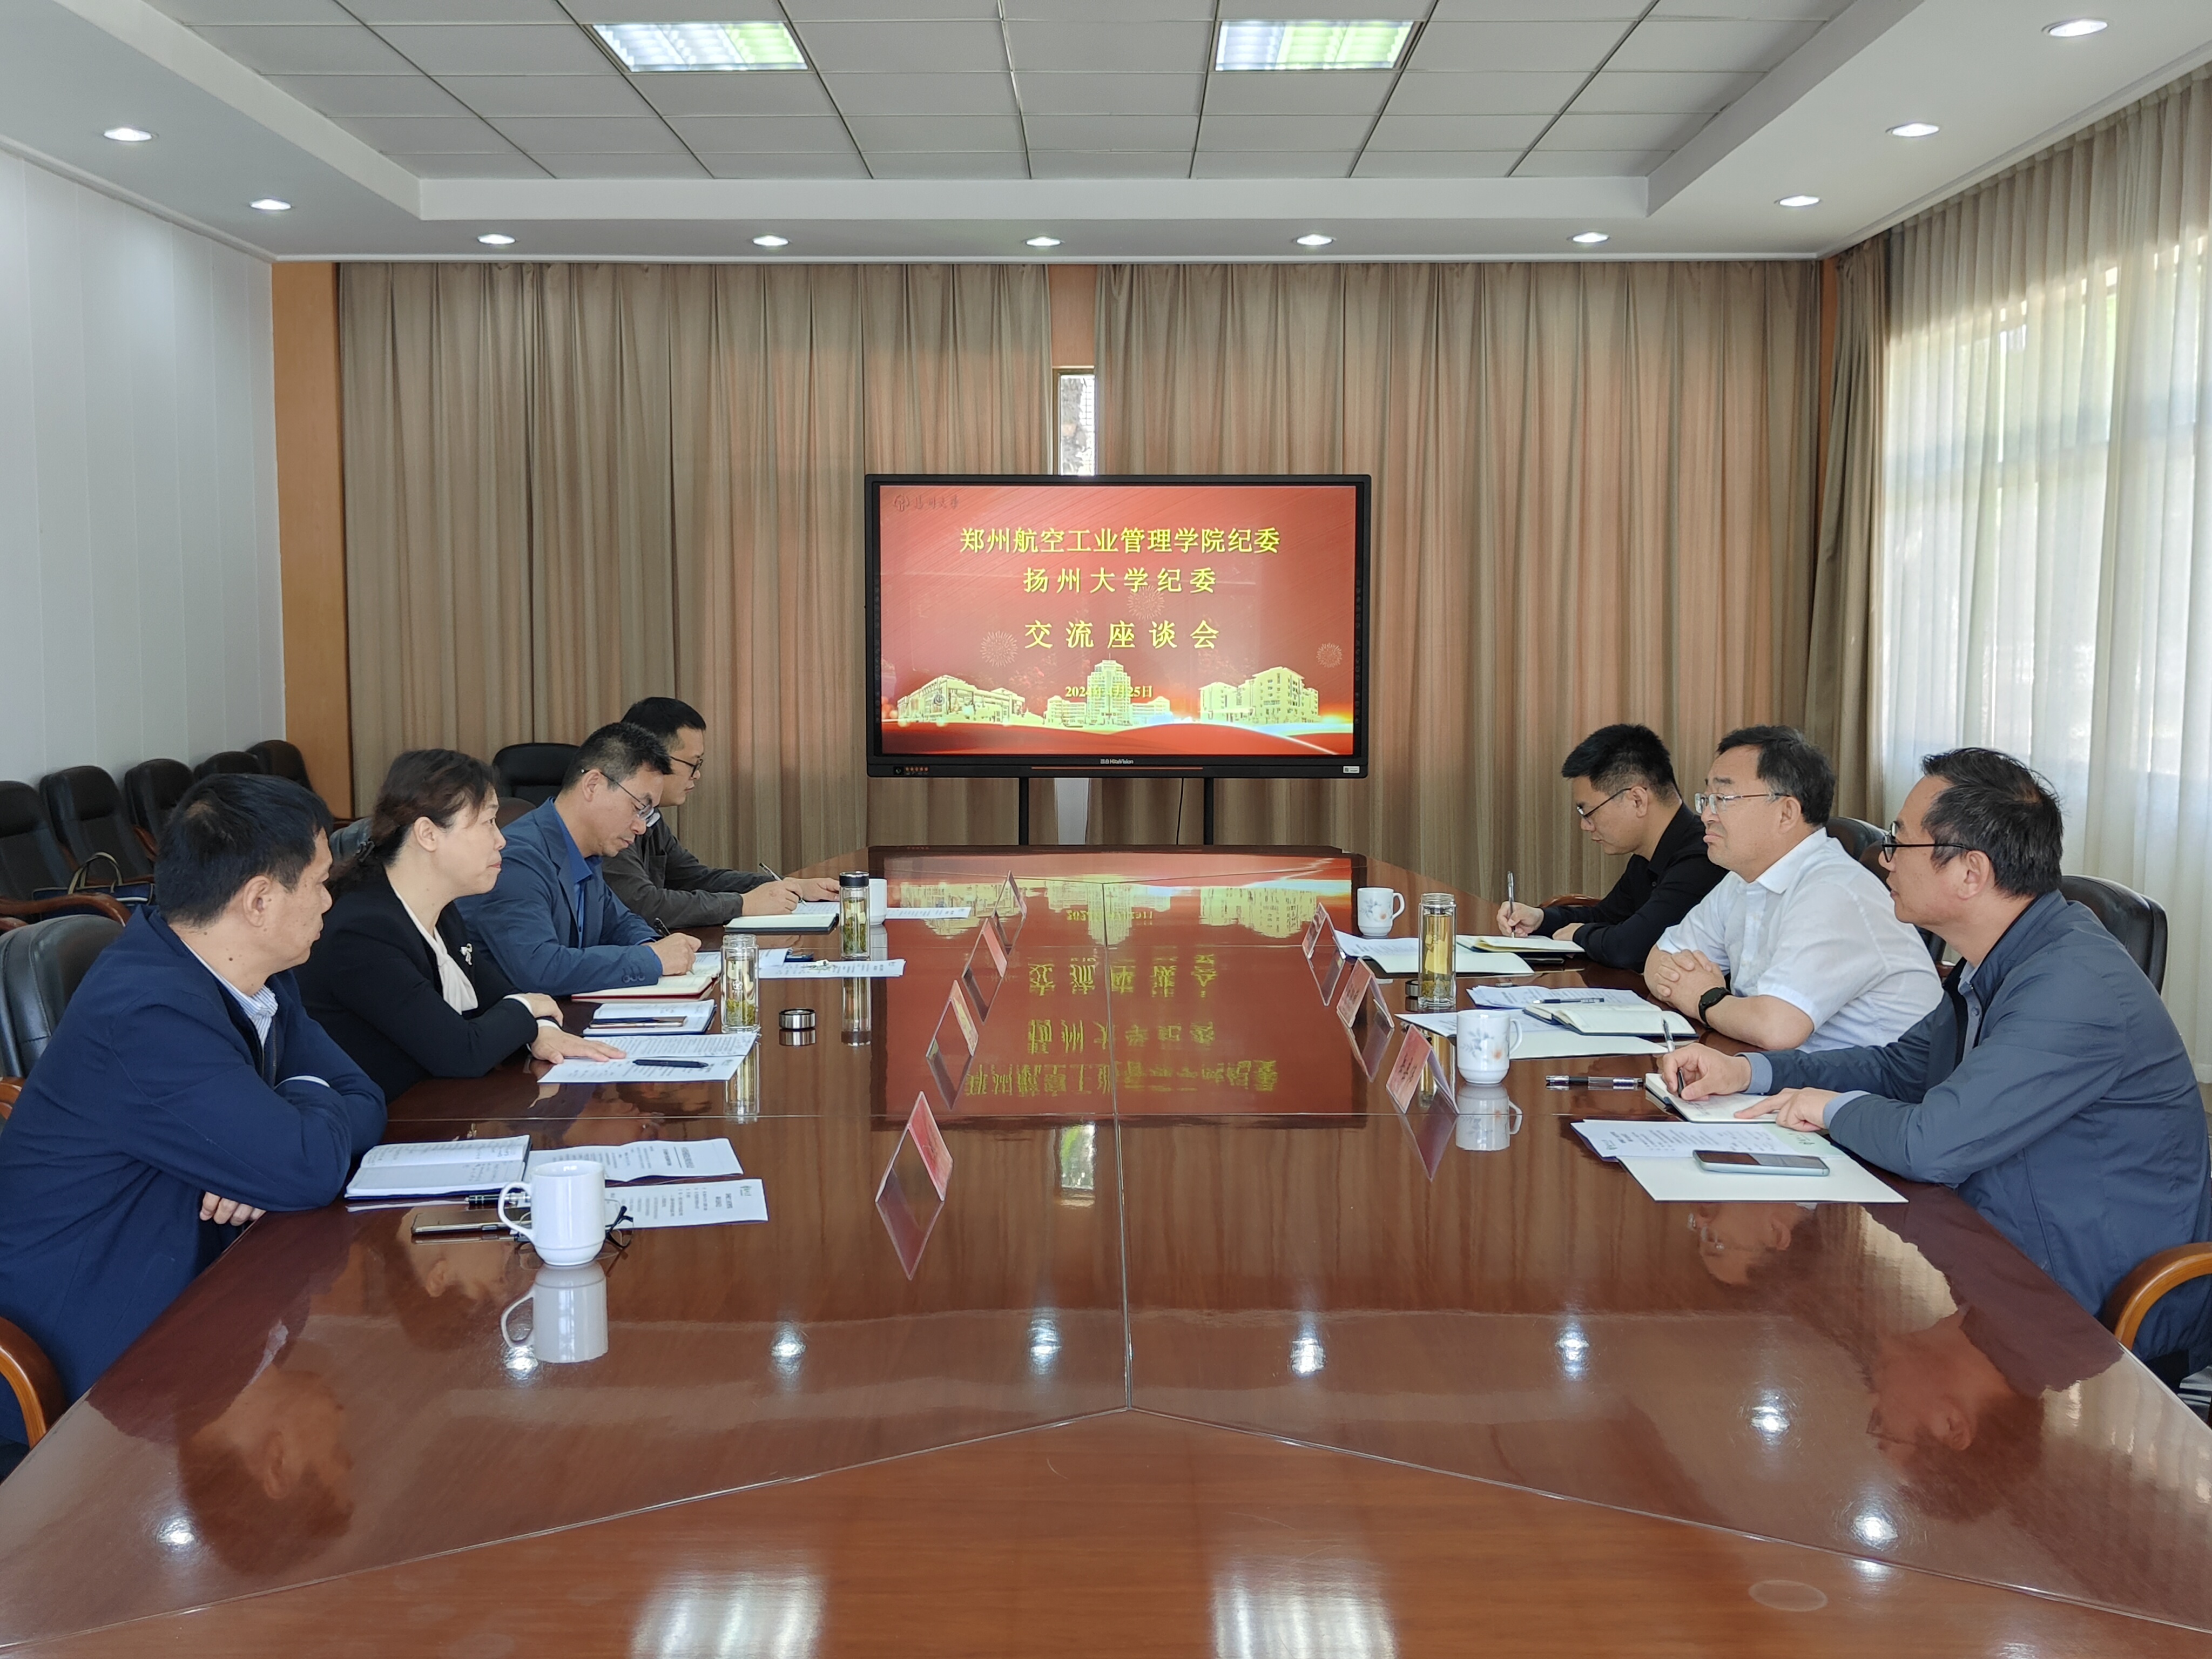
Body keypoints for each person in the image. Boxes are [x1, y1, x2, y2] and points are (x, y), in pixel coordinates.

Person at [1661, 747, 2212, 1371]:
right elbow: (1897, 1069)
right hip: (2001, 1256)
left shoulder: (2073, 986)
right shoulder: (1997, 961)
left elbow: (1931, 1144)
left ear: (1970, 872)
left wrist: (1830, 1108)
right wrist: (1750, 1072)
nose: (1884, 857)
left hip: (2092, 1308)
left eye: (1900, 841)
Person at [0, 774, 385, 1449]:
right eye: (320, 883)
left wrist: (272, 1142)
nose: (330, 899)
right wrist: (283, 1134)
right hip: (94, 1363)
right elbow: (306, 1167)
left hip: (204, 1296)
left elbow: (364, 1098)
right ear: (259, 900)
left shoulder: (258, 974)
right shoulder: (146, 1012)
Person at [298, 750, 623, 1101]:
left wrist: (541, 1027)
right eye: (487, 823)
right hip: (381, 1124)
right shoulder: (363, 933)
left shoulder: (443, 911)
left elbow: (501, 997)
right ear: (428, 834)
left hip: (438, 1108)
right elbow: (463, 1052)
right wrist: (530, 1011)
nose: (501, 840)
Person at [1644, 725, 1940, 1051]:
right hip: (1779, 1069)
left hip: (1872, 1081)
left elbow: (1775, 1028)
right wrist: (1711, 1000)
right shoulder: (1744, 878)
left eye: (1723, 799)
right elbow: (1659, 958)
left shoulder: (1835, 892)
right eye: (1707, 799)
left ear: (1786, 813)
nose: (1706, 815)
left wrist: (1705, 997)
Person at [458, 723, 698, 997]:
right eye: (638, 808)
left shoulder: (586, 853)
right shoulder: (517, 859)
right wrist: (652, 959)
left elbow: (620, 923)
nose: (641, 827)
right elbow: (541, 970)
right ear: (593, 785)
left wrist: (652, 945)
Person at [1495, 723, 1725, 969]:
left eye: (1588, 812)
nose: (1585, 826)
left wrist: (1579, 934)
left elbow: (1631, 947)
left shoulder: (1702, 857)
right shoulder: (1646, 856)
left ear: (1637, 800)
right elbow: (1605, 916)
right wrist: (1541, 918)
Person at [602, 697, 838, 925]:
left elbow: (694, 878)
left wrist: (790, 887)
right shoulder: (609, 821)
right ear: (653, 758)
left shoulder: (650, 817)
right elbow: (643, 905)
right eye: (693, 763)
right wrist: (744, 904)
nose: (697, 775)